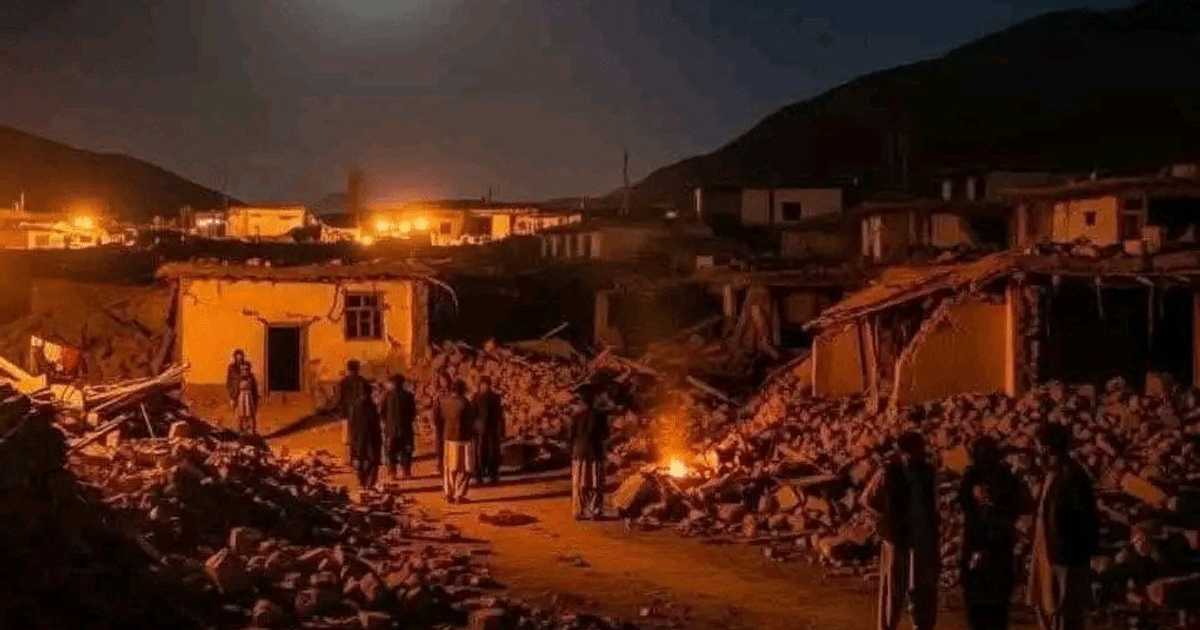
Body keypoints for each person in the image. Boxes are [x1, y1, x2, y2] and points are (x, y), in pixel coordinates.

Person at [864, 431, 940, 630]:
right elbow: (868, 500)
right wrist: (884, 526)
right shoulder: (889, 472)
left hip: (921, 539)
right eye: (919, 448)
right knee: (893, 591)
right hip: (897, 540)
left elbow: (931, 504)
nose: (922, 452)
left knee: (922, 591)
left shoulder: (927, 472)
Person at [1027, 423, 1099, 630]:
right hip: (1048, 549)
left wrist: (1071, 553)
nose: (1035, 449)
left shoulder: (1071, 476)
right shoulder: (1054, 474)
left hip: (1063, 554)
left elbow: (1083, 518)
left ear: (1047, 447)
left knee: (1064, 609)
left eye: (1037, 444)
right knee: (1047, 605)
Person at [959, 436, 1029, 630]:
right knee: (985, 609)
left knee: (992, 609)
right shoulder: (974, 478)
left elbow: (1012, 510)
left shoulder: (1003, 479)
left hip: (994, 550)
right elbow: (965, 505)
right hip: (986, 548)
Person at [569, 382, 613, 520]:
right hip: (596, 452)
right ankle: (595, 511)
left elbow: (571, 436)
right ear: (594, 399)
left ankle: (578, 511)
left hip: (580, 453)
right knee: (596, 484)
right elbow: (606, 434)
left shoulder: (576, 416)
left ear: (582, 400)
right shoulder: (601, 416)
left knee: (579, 484)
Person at [337, 360, 381, 491]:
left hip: (349, 414)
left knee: (350, 439)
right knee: (363, 440)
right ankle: (362, 464)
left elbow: (340, 399)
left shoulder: (343, 382)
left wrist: (342, 413)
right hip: (364, 414)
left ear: (347, 368)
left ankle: (350, 459)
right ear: (358, 368)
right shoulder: (363, 381)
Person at [436, 379, 475, 503]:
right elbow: (472, 420)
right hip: (464, 439)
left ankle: (448, 492)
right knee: (465, 468)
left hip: (448, 438)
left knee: (449, 467)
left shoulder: (444, 402)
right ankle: (459, 494)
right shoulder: (465, 403)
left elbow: (438, 419)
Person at [382, 374, 417, 480]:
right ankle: (406, 472)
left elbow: (382, 412)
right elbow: (413, 412)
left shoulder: (387, 396)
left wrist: (387, 423)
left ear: (392, 383)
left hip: (391, 428)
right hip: (405, 427)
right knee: (406, 451)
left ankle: (392, 473)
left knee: (391, 452)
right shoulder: (409, 395)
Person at [472, 377, 505, 485]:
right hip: (480, 430)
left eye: (486, 384)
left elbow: (500, 414)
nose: (484, 387)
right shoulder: (476, 397)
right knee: (480, 454)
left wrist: (501, 429)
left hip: (492, 430)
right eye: (482, 384)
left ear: (489, 385)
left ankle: (493, 475)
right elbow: (472, 414)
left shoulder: (495, 397)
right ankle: (479, 475)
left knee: (492, 453)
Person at [233, 362, 259, 436]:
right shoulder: (238, 379)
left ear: (249, 370)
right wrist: (234, 399)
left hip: (249, 396)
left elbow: (255, 389)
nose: (245, 371)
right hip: (241, 397)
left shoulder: (251, 378)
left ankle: (252, 430)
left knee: (250, 414)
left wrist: (256, 398)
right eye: (243, 370)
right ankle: (240, 430)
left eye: (247, 369)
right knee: (241, 414)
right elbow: (236, 389)